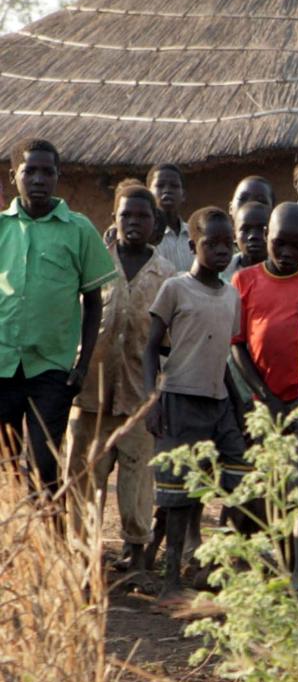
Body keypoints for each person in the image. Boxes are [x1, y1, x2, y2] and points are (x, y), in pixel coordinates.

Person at [68, 181, 173, 568]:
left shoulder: (166, 275)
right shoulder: (93, 260)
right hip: (90, 392)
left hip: (138, 398)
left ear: (154, 223)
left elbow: (169, 342)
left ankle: (136, 557)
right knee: (85, 477)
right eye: (126, 214)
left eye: (142, 216)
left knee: (137, 482)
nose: (133, 222)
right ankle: (82, 559)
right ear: (114, 218)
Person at [143, 208, 247, 597]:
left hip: (218, 401)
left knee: (240, 477)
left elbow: (221, 356)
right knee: (179, 494)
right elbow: (152, 346)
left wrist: (238, 406)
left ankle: (209, 560)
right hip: (179, 399)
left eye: (227, 243)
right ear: (193, 246)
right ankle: (171, 581)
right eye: (211, 243)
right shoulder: (175, 289)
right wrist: (152, 399)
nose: (222, 250)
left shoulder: (231, 295)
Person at [0, 139, 113, 496]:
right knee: (6, 463)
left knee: (43, 464)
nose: (38, 179)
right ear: (12, 175)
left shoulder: (78, 230)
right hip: (2, 366)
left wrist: (81, 364)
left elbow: (93, 301)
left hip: (51, 369)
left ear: (58, 176)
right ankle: (19, 547)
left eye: (47, 171)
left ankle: (52, 542)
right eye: (29, 170)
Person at [230, 203, 298, 596]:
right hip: (257, 402)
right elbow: (237, 346)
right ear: (267, 236)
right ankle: (248, 564)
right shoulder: (244, 281)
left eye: (297, 246)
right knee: (258, 483)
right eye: (279, 243)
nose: (287, 252)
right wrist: (263, 394)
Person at [144, 164, 194, 269]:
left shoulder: (195, 234)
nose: (167, 190)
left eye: (174, 186)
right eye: (160, 185)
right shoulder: (144, 236)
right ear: (148, 193)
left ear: (183, 195)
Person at [227, 199, 270, 277]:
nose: (253, 236)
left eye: (261, 229)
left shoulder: (284, 271)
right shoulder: (221, 272)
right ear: (234, 235)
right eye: (245, 229)